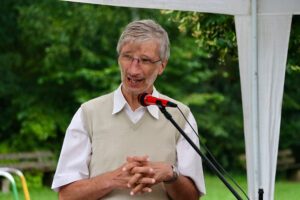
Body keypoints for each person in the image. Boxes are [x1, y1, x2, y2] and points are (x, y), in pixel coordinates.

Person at [52, 19, 206, 200]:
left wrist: (170, 174)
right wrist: (114, 179)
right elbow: (67, 196)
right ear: (118, 59)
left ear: (162, 66)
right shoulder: (88, 114)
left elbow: (192, 198)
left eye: (145, 60)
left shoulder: (180, 115)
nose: (133, 70)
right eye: (127, 57)